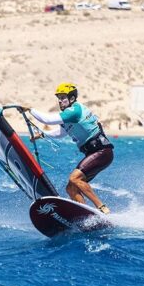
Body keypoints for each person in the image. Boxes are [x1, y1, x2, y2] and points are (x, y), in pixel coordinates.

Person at [24, 83, 114, 214]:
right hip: (93, 153)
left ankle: (102, 208)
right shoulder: (68, 115)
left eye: (63, 97)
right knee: (71, 188)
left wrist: (30, 110)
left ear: (71, 99)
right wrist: (43, 134)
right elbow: (60, 133)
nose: (60, 100)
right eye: (58, 98)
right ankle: (88, 215)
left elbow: (47, 120)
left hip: (102, 151)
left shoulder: (75, 110)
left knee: (75, 178)